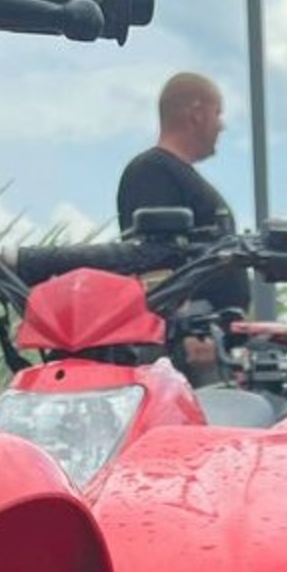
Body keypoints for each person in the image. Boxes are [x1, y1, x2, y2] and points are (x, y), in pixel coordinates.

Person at [117, 72, 250, 379]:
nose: (221, 126)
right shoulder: (153, 171)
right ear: (197, 113)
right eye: (218, 114)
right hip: (187, 344)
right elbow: (155, 260)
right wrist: (189, 328)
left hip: (209, 335)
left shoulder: (176, 174)